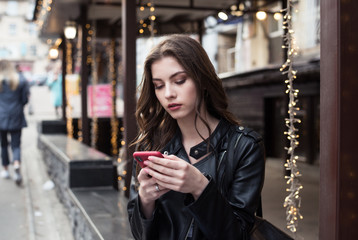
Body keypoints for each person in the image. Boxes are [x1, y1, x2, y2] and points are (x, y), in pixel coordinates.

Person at [127, 35, 266, 239]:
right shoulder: (150, 145)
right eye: (158, 85)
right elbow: (139, 235)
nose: (168, 94)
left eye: (179, 81)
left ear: (202, 79)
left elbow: (239, 234)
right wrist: (145, 200)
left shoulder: (244, 146)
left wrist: (199, 187)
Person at [0, 60, 29, 185]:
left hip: (1, 116)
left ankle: (5, 169)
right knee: (16, 144)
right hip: (16, 115)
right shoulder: (20, 80)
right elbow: (24, 100)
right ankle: (16, 163)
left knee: (3, 145)